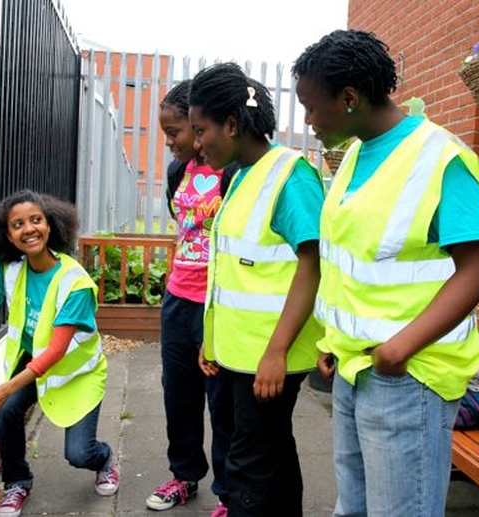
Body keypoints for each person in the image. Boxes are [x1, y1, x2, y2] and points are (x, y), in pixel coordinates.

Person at [291, 29, 479, 516]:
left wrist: (397, 349)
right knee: (353, 510)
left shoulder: (441, 158)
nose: (308, 120)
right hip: (354, 368)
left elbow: (478, 271)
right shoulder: (356, 154)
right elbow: (353, 260)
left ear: (349, 98)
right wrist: (332, 341)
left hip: (407, 374)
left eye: (312, 107)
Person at [0, 190, 119, 517]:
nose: (28, 228)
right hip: (34, 363)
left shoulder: (75, 282)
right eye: (17, 224)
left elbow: (56, 351)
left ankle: (105, 459)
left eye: (35, 220)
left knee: (78, 455)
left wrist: (4, 388)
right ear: (9, 236)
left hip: (76, 373)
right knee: (8, 412)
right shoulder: (9, 268)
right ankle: (17, 483)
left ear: (50, 225)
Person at [189, 62, 325, 516]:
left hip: (269, 358)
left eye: (200, 129)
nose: (196, 142)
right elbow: (234, 272)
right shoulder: (243, 173)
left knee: (247, 467)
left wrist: (276, 351)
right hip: (238, 354)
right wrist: (212, 341)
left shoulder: (290, 175)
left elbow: (314, 262)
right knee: (271, 456)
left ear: (231, 124)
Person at [145, 80, 235, 515]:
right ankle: (184, 476)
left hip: (218, 303)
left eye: (175, 131)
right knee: (177, 393)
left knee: (221, 399)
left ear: (198, 126)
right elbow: (183, 226)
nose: (170, 142)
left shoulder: (232, 170)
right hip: (179, 298)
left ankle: (228, 492)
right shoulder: (177, 172)